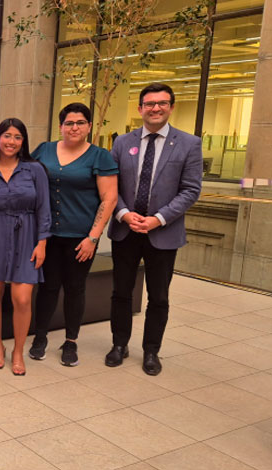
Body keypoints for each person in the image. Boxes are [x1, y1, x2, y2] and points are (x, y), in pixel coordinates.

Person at [105, 83, 202, 375]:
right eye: (149, 104)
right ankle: (119, 344)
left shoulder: (189, 143)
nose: (155, 108)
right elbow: (111, 186)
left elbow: (190, 190)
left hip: (163, 233)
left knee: (158, 296)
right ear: (140, 109)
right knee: (121, 292)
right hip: (126, 230)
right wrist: (123, 213)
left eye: (161, 103)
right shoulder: (122, 142)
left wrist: (157, 219)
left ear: (171, 107)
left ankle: (151, 351)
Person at [29, 103, 119, 367]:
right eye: (69, 123)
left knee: (75, 289)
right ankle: (41, 336)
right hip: (47, 235)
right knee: (47, 288)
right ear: (61, 126)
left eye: (80, 122)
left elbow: (109, 198)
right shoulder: (44, 150)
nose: (75, 127)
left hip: (81, 238)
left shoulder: (100, 156)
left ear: (89, 126)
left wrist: (93, 238)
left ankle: (71, 341)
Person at [0, 118, 51, 376]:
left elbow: (44, 207)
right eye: (7, 136)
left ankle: (18, 351)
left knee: (21, 299)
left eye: (17, 137)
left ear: (23, 142)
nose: (11, 141)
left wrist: (42, 242)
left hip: (27, 236)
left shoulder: (34, 170)